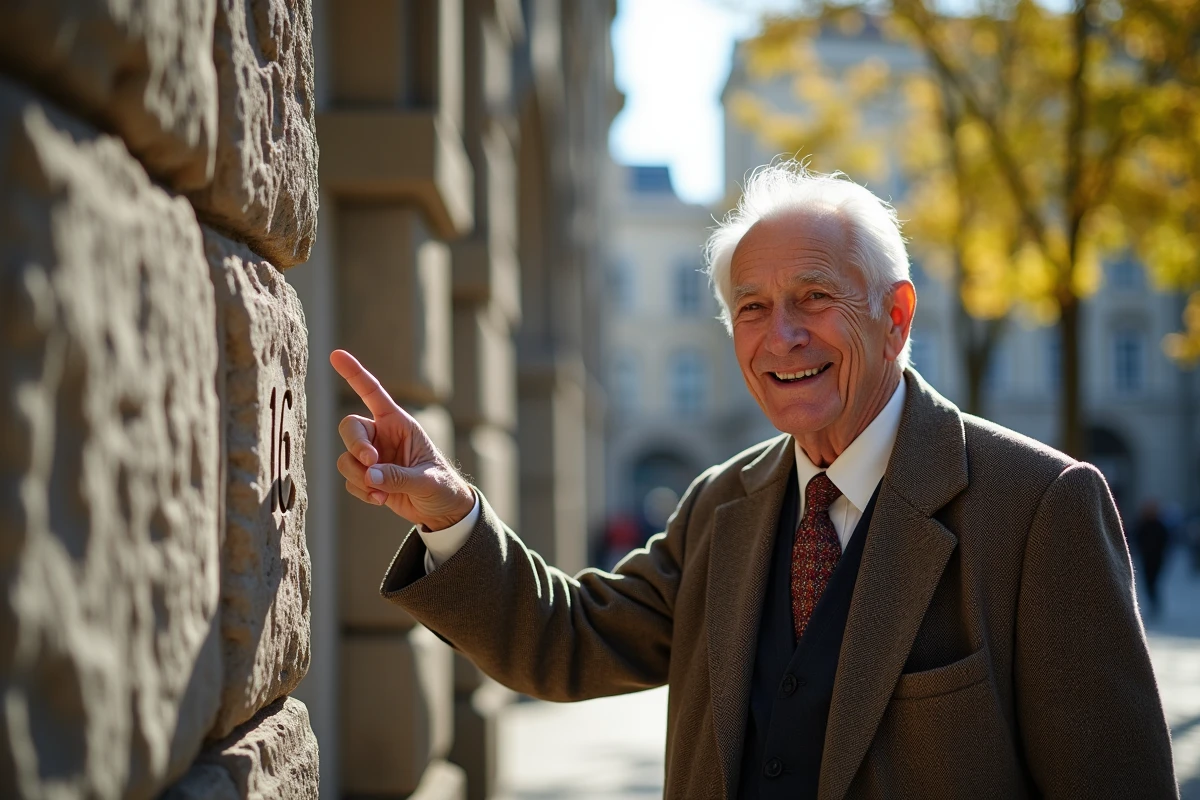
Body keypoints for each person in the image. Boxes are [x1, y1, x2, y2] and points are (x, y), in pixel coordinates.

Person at [332, 163, 1177, 799]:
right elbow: (568, 641)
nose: (782, 339)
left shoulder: (1040, 509)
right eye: (752, 307)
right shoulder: (721, 505)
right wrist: (450, 515)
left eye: (814, 297)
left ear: (897, 315)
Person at [1134, 499, 1171, 618]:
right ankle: (1153, 603)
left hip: (1157, 558)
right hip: (1146, 558)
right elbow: (1137, 539)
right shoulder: (1142, 524)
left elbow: (1165, 541)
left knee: (1154, 581)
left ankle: (1154, 603)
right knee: (1148, 582)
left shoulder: (1159, 525)